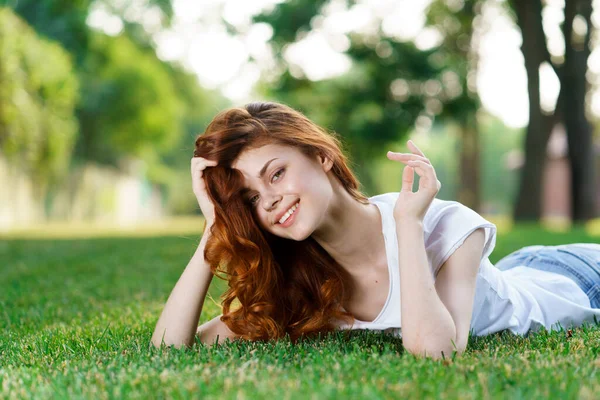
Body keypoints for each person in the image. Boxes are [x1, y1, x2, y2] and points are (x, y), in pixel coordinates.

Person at [151, 101, 600, 359]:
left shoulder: (444, 223)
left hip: (579, 279)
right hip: (524, 270)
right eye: (249, 199)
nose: (267, 200)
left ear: (321, 156)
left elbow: (437, 352)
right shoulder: (300, 280)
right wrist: (216, 225)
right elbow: (170, 347)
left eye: (276, 174)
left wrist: (408, 225)